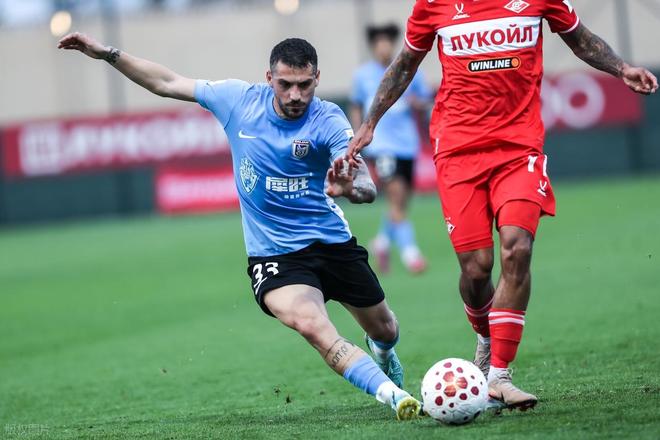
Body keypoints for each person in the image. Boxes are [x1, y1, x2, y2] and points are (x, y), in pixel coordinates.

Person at [58, 33, 423, 420]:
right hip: (275, 255)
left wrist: (352, 189)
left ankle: (383, 351)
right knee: (312, 325)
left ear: (317, 78)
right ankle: (394, 396)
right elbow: (166, 82)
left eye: (304, 85)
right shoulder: (238, 100)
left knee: (386, 329)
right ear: (269, 78)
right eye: (285, 84)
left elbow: (364, 184)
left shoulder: (329, 118)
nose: (295, 95)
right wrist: (108, 54)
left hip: (331, 242)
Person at [347, 0, 658, 411]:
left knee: (517, 247)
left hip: (518, 147)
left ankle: (499, 376)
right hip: (458, 151)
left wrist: (621, 69)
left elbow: (580, 39)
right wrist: (370, 123)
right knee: (476, 269)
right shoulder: (433, 5)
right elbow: (405, 64)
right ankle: (485, 337)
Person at [350, 23, 432, 274]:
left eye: (387, 42)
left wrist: (417, 103)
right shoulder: (363, 75)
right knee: (396, 197)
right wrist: (357, 136)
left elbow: (426, 101)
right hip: (381, 146)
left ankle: (382, 243)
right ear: (373, 47)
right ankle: (411, 253)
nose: (384, 47)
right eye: (379, 43)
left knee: (402, 203)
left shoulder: (409, 70)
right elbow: (356, 106)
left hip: (407, 145)